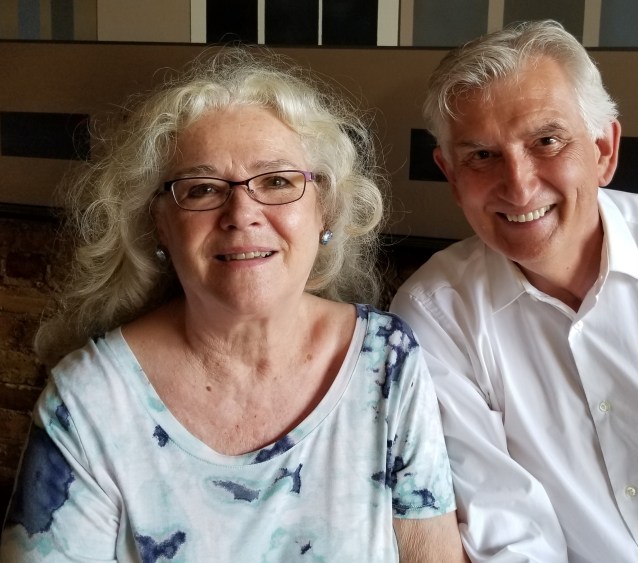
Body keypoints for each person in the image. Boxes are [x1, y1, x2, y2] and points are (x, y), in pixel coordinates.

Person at [1, 48, 466, 562]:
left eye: (277, 182)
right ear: (160, 224)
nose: (242, 213)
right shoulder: (87, 401)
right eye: (202, 189)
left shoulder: (388, 361)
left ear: (325, 208)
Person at [391, 19, 638, 562]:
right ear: (451, 175)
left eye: (546, 141)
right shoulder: (436, 315)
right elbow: (508, 537)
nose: (519, 184)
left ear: (603, 149)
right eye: (481, 155)